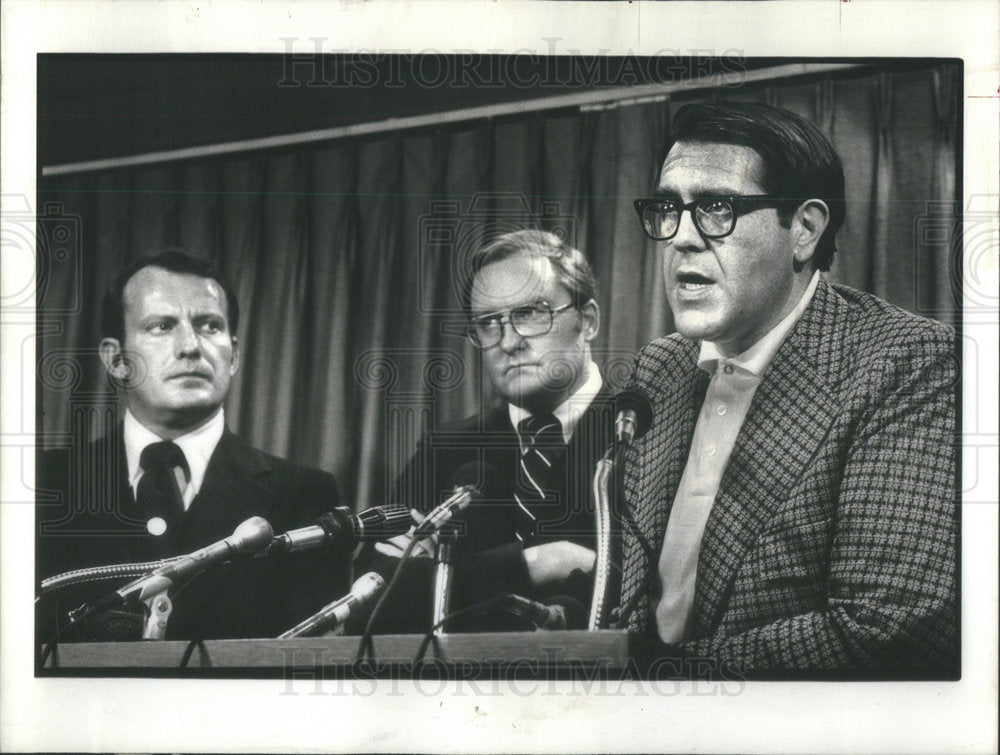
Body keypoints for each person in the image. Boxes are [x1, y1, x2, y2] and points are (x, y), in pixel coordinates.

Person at [621, 102, 958, 675]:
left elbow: (888, 623)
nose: (680, 239)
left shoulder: (907, 362)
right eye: (667, 209)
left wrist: (654, 682)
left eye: (715, 208)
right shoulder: (659, 367)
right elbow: (641, 602)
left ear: (803, 230)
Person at [36, 251, 349, 644]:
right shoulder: (42, 486)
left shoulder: (304, 496)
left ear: (233, 355)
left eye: (209, 326)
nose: (190, 346)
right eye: (162, 326)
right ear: (117, 360)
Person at [364, 230, 615, 632]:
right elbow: (373, 599)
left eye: (531, 313)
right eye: (488, 323)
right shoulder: (446, 450)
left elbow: (650, 593)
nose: (509, 341)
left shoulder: (643, 434)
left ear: (587, 321)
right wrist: (539, 562)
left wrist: (451, 572)